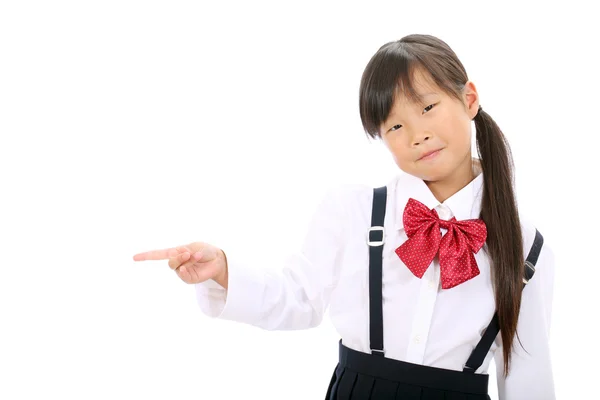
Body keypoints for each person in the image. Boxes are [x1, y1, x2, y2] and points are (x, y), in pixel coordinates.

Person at [133, 34, 555, 399]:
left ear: (469, 98)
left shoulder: (526, 244)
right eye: (394, 127)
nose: (417, 135)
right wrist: (223, 271)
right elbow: (298, 298)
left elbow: (525, 373)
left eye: (427, 108)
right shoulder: (352, 212)